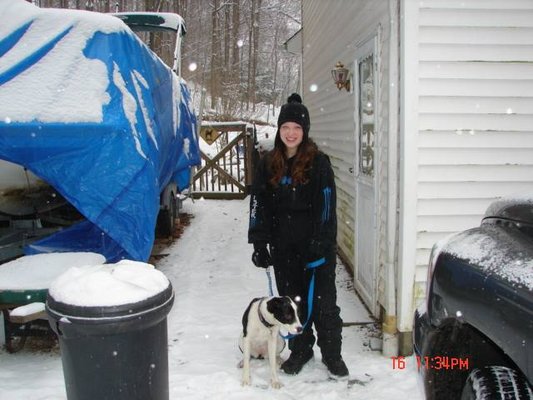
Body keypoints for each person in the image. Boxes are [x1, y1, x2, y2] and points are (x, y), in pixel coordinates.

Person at [248, 93, 349, 378]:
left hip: (316, 250)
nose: (291, 133)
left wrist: (321, 242)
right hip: (284, 248)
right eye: (285, 128)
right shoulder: (268, 163)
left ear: (304, 132)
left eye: (297, 128)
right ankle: (301, 350)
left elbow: (327, 206)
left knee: (323, 305)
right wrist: (258, 241)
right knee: (292, 304)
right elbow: (259, 203)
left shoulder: (319, 163)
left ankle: (332, 355)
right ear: (278, 131)